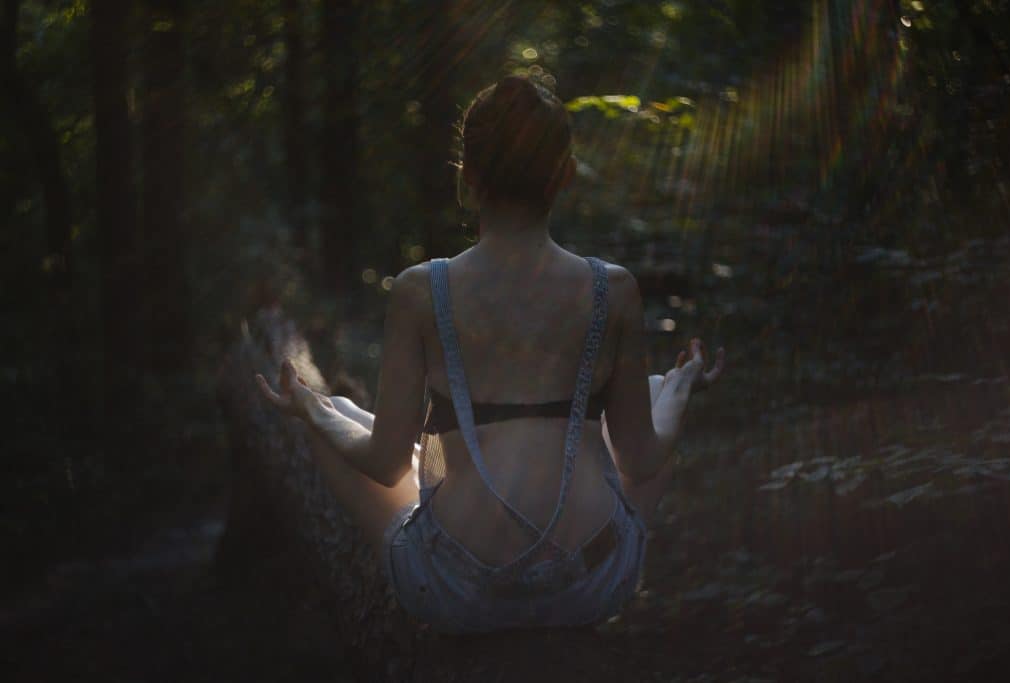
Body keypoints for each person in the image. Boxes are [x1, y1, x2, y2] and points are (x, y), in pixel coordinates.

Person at [256, 75, 725, 633]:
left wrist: (310, 412)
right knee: (655, 391)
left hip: (456, 591)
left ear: (468, 178)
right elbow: (642, 462)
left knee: (330, 419)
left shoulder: (419, 291)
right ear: (565, 177)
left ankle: (320, 413)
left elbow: (383, 464)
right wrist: (684, 386)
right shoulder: (614, 291)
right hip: (588, 588)